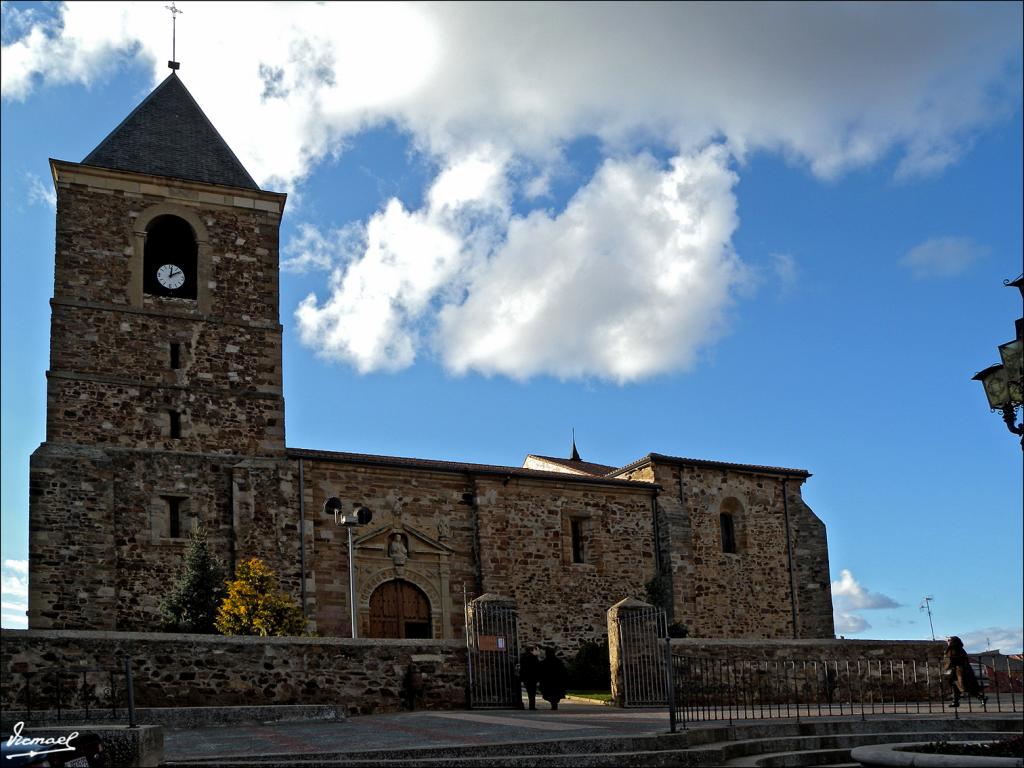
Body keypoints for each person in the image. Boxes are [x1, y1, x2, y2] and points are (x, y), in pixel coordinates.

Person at [943, 635, 987, 708]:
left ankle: (981, 697)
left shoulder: (953, 649)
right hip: (959, 670)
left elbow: (951, 660)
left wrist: (946, 668)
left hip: (959, 671)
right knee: (955, 686)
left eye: (948, 640)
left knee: (965, 687)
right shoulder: (960, 648)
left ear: (953, 642)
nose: (947, 642)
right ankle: (955, 701)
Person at [538, 646, 568, 711]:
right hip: (555, 681)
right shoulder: (558, 662)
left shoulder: (544, 663)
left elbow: (540, 672)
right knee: (553, 694)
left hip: (548, 682)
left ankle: (553, 704)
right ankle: (554, 704)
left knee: (550, 694)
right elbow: (564, 671)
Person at [519, 645, 540, 710]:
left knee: (529, 691)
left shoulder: (523, 658)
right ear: (531, 650)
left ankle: (529, 705)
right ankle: (532, 706)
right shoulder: (534, 658)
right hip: (532, 677)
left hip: (526, 677)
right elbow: (537, 668)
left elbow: (521, 668)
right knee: (532, 692)